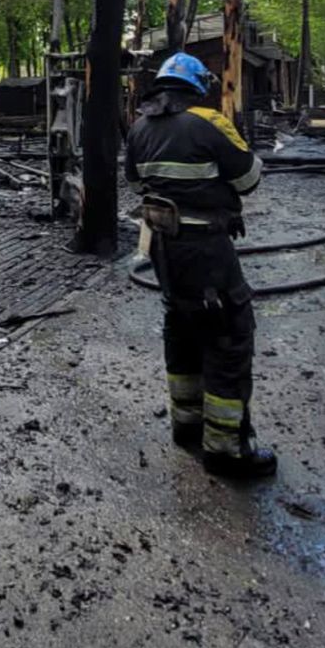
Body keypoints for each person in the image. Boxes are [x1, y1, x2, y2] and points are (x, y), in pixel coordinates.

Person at [124, 52, 276, 479]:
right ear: (197, 85)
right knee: (228, 335)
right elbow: (249, 180)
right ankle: (226, 449)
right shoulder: (210, 122)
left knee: (182, 327)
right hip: (206, 248)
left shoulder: (138, 126)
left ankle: (186, 424)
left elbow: (135, 183)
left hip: (163, 249)